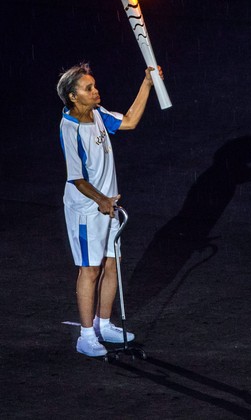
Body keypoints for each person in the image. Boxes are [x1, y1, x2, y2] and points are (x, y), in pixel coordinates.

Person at [57, 63, 162, 357]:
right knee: (89, 270)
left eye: (94, 85)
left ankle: (104, 325)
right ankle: (86, 335)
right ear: (72, 96)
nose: (95, 90)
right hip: (87, 210)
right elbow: (76, 177)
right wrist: (101, 200)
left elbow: (128, 121)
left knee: (111, 264)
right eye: (88, 88)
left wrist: (147, 84)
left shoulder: (98, 115)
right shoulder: (70, 128)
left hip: (108, 206)